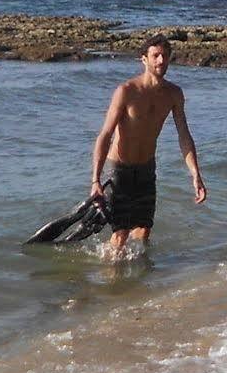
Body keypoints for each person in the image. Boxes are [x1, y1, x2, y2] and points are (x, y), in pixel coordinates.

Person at [88, 35, 206, 255]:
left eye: (165, 56)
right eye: (155, 56)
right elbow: (105, 134)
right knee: (120, 234)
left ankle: (138, 280)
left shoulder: (174, 94)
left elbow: (184, 135)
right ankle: (112, 280)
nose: (161, 61)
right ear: (144, 59)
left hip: (146, 169)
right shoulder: (126, 91)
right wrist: (96, 179)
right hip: (120, 170)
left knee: (143, 230)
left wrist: (195, 174)